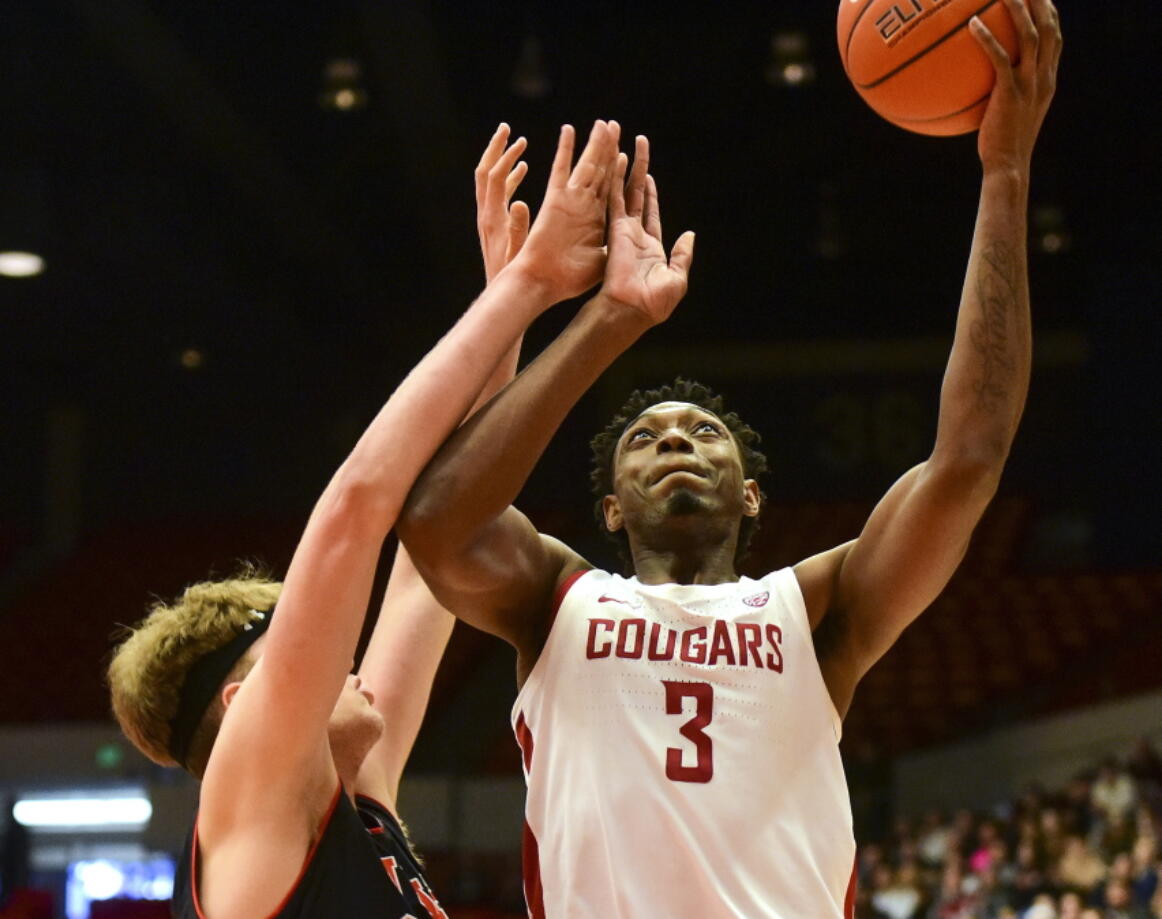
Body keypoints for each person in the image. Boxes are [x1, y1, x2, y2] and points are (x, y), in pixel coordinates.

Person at [398, 3, 1060, 916]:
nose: (675, 438)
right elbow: (435, 521)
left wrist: (1005, 172)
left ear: (751, 495)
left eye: (702, 433)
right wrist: (608, 321)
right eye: (644, 438)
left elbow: (970, 456)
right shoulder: (555, 600)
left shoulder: (819, 609)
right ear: (612, 510)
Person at [106, 118, 627, 919]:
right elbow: (356, 507)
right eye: (300, 651)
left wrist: (509, 306)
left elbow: (437, 546)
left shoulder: (359, 803)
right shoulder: (252, 794)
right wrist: (531, 286)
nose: (343, 660)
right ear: (243, 700)